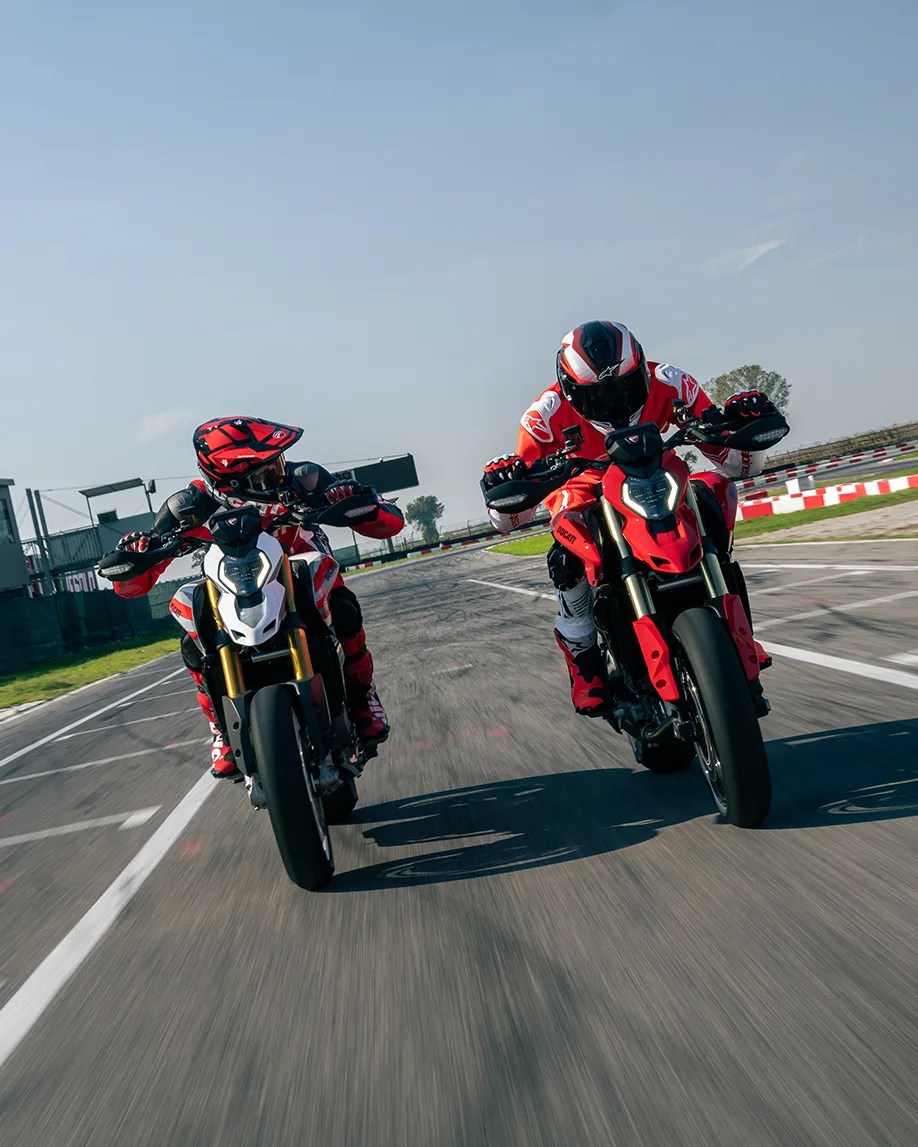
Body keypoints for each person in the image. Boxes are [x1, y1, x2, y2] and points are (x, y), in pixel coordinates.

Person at [482, 321, 780, 715]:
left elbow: (737, 465)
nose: (615, 402)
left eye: (625, 388)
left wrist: (743, 418)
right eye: (599, 395)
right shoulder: (543, 415)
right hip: (584, 485)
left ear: (640, 368)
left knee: (713, 493)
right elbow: (510, 519)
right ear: (571, 388)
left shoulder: (671, 381)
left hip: (655, 470)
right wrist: (502, 480)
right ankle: (584, 662)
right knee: (567, 556)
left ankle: (739, 634)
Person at [113, 415, 404, 778]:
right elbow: (132, 586)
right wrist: (139, 551)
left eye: (276, 464)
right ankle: (221, 728)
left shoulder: (305, 478)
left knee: (342, 605)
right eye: (264, 473)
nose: (279, 476)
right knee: (191, 628)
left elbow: (389, 521)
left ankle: (362, 696)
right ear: (229, 482)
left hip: (298, 568)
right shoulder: (188, 505)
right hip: (235, 585)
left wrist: (356, 500)